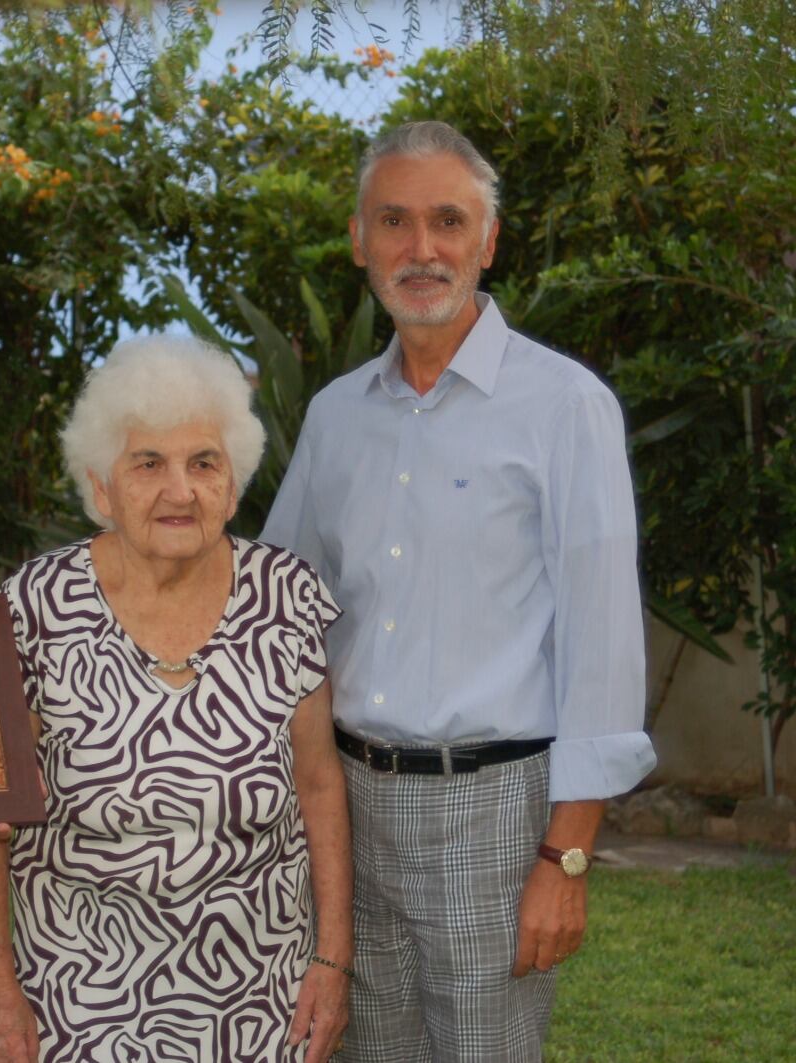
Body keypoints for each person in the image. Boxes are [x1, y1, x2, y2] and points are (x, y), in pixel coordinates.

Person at [261, 121, 657, 1061]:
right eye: (394, 221)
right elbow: (274, 613)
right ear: (360, 242)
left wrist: (566, 856)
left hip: (496, 809)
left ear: (489, 240)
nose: (422, 248)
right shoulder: (333, 416)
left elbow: (602, 644)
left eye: (449, 220)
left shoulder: (565, 407)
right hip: (349, 805)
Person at [0, 336, 354, 1062]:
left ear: (234, 484)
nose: (181, 490)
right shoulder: (36, 606)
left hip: (259, 998)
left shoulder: (287, 599)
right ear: (101, 486)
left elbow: (320, 783)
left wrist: (330, 962)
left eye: (204, 462)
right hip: (76, 997)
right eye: (148, 463)